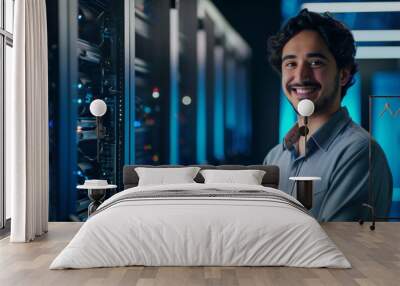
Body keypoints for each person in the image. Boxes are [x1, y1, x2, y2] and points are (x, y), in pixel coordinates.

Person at [263, 9, 392, 221]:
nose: (301, 76)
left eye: (315, 62)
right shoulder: (275, 157)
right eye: (291, 63)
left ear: (343, 75)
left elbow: (334, 247)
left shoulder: (360, 154)